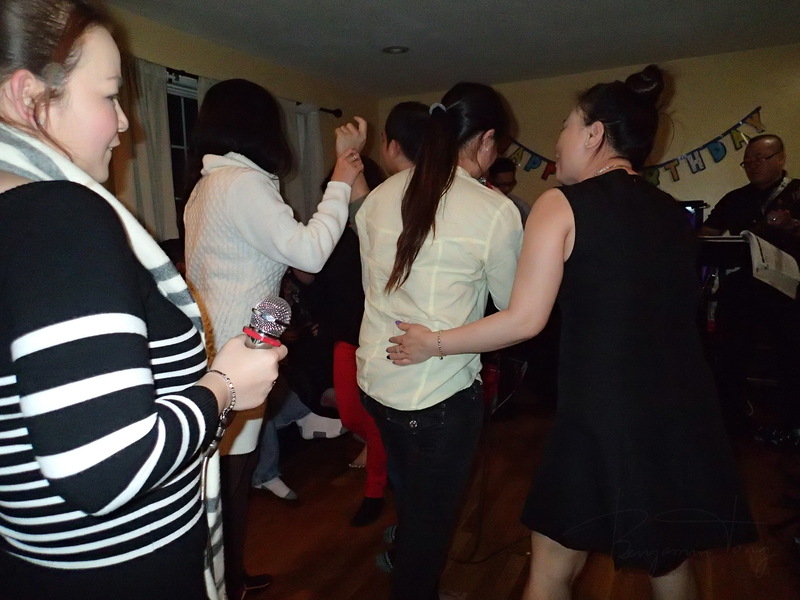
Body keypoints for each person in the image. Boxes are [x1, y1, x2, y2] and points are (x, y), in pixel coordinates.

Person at [388, 66, 757, 600]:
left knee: (551, 569)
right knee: (667, 558)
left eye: (566, 126)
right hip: (680, 409)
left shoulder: (561, 204)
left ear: (594, 134)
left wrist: (434, 342)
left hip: (603, 413)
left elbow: (524, 319)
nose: (558, 141)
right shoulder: (672, 214)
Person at [0, 2, 284, 600]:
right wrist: (225, 386)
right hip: (122, 566)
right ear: (28, 97)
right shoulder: (58, 215)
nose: (126, 123)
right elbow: (106, 467)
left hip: (40, 560)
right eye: (109, 96)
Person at [183, 78, 364, 599]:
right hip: (235, 357)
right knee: (229, 483)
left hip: (219, 348)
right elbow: (309, 254)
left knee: (224, 482)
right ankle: (224, 584)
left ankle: (230, 578)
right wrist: (339, 181)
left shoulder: (208, 187)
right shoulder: (242, 183)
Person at [356, 82, 523, 599]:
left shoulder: (378, 197)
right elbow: (513, 307)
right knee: (431, 524)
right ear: (487, 140)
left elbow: (374, 292)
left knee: (412, 498)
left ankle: (409, 562)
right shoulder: (493, 211)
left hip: (377, 382)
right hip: (437, 396)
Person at [699, 134, 800, 441]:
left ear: (780, 159)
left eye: (760, 159)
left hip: (788, 290)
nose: (753, 165)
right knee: (729, 351)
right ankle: (731, 418)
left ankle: (792, 424)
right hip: (743, 287)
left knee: (791, 354)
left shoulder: (797, 192)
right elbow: (706, 233)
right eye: (747, 161)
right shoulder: (735, 198)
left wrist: (791, 226)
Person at [488, 156, 531, 225]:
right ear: (490, 181)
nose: (507, 188)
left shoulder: (521, 207)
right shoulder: (480, 199)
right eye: (502, 185)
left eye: (510, 184)